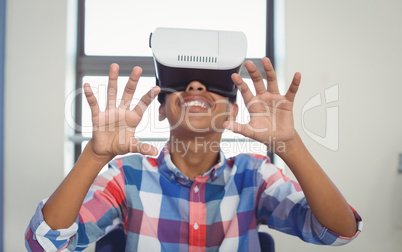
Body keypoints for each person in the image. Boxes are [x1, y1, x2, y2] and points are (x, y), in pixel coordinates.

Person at [25, 56, 362, 251]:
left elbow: (336, 230)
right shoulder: (127, 176)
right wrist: (94, 156)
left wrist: (289, 146)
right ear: (161, 111)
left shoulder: (253, 174)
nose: (196, 87)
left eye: (211, 84)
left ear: (231, 111)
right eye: (182, 81)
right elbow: (44, 243)